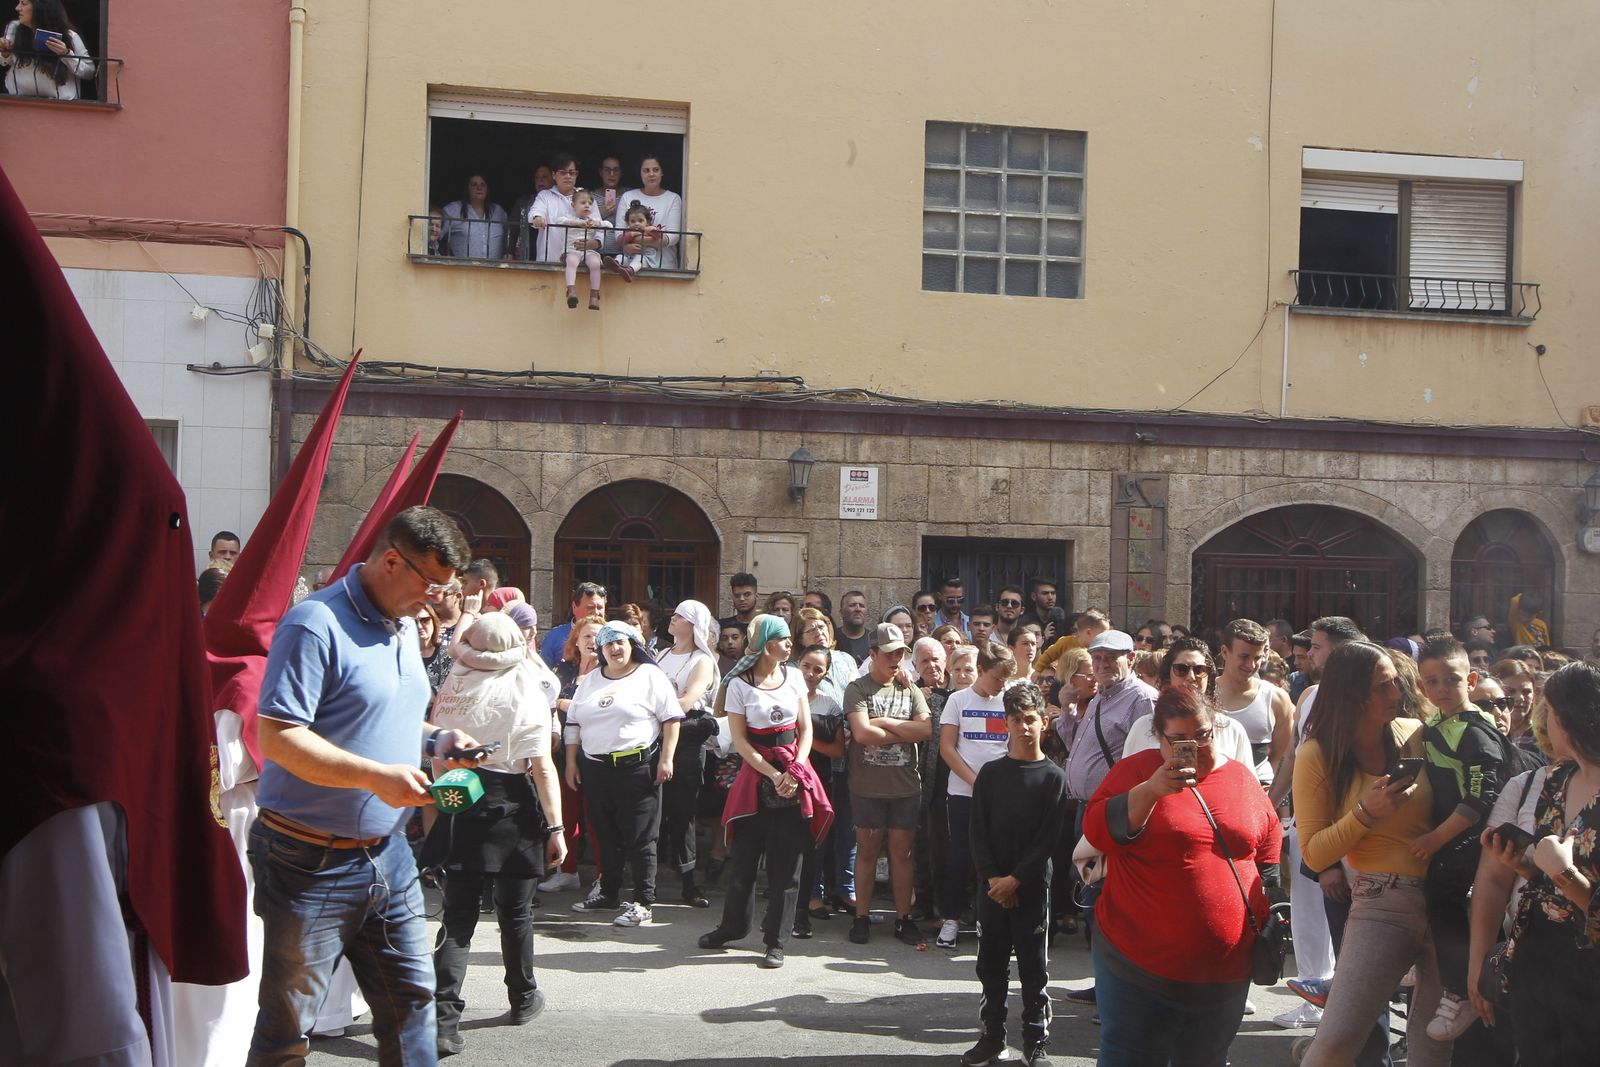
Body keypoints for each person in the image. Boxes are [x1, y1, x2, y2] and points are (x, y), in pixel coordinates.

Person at [248, 506, 479, 1062]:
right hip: (308, 858)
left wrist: (437, 739)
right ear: (392, 561)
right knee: (287, 1029)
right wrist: (378, 778)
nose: (437, 601)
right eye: (432, 585)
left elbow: (387, 716)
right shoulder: (314, 623)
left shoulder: (401, 623)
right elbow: (279, 739)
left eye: (447, 591)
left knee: (413, 1005)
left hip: (389, 854)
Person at [1083, 685, 1281, 1067]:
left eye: (1204, 734)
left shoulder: (1240, 777)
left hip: (1224, 974)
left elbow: (1268, 846)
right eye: (1179, 739)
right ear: (1158, 736)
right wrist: (1152, 790)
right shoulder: (1136, 771)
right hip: (1138, 968)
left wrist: (1271, 904)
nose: (1196, 746)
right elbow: (1096, 831)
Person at [1293, 641, 1450, 1067]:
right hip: (1381, 901)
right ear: (1354, 694)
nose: (1397, 693)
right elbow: (1314, 850)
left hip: (1444, 899)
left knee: (1432, 1047)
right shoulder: (1317, 754)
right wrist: (1366, 813)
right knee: (1338, 1039)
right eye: (1384, 686)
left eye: (1394, 683)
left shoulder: (1414, 732)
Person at [425, 613, 565, 1056]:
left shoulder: (455, 682)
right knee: (516, 911)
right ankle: (523, 997)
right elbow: (541, 765)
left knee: (458, 918)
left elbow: (437, 756)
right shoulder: (524, 684)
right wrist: (557, 828)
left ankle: (443, 1020)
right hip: (512, 804)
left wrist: (440, 806)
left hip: (461, 798)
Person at [1472, 661, 1600, 1063]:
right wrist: (1525, 867)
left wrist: (1563, 874)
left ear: (1567, 718)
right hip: (1537, 965)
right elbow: (1538, 882)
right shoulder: (1555, 780)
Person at [699, 615, 833, 968]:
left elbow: (805, 730)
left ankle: (776, 940)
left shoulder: (793, 677)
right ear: (766, 643)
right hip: (756, 775)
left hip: (793, 769)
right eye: (784, 638)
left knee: (786, 866)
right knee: (743, 860)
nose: (791, 645)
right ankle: (732, 927)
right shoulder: (740, 684)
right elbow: (740, 740)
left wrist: (795, 769)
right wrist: (773, 774)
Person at [960, 682, 1067, 1067]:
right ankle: (991, 1037)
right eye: (1016, 720)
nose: (1024, 727)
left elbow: (1047, 840)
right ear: (1006, 724)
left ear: (1045, 722)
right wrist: (993, 879)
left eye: (1031, 720)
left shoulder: (1054, 777)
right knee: (990, 965)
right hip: (991, 889)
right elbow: (978, 831)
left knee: (1034, 967)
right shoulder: (990, 774)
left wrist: (1016, 880)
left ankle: (1035, 1041)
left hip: (1032, 887)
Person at [1408, 635, 1509, 1041]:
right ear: (1421, 687)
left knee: (1442, 895)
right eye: (1431, 682)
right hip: (1450, 835)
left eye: (1450, 680)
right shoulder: (1435, 724)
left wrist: (1435, 839)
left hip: (1470, 837)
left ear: (1470, 679)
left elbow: (1482, 796)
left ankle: (1460, 991)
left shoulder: (1474, 730)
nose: (1441, 689)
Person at [564, 620, 682, 927]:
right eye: (608, 644)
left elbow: (671, 720)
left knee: (642, 837)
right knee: (604, 834)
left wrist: (666, 759)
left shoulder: (649, 676)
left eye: (620, 642)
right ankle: (609, 893)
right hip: (596, 768)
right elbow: (574, 723)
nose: (615, 648)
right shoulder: (590, 680)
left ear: (633, 645)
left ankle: (644, 902)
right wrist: (572, 762)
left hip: (637, 768)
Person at [843, 622, 934, 947]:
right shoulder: (857, 688)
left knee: (902, 854)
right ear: (872, 655)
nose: (896, 659)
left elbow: (925, 731)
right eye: (888, 653)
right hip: (866, 788)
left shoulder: (909, 689)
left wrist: (884, 722)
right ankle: (861, 917)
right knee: (867, 852)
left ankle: (903, 919)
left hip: (905, 788)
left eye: (900, 653)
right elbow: (862, 734)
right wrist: (901, 728)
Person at [937, 641, 1017, 950]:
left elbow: (1011, 747)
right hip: (962, 794)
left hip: (999, 797)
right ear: (980, 670)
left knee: (998, 860)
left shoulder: (1007, 701)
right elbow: (947, 748)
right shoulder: (957, 700)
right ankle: (951, 919)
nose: (1000, 685)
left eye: (1005, 679)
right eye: (996, 678)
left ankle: (994, 922)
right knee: (960, 856)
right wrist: (976, 782)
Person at [655, 600, 721, 909]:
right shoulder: (662, 655)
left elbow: (686, 702)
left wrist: (661, 703)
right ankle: (648, 880)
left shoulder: (702, 662)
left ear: (693, 625)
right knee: (655, 813)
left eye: (680, 615)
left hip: (687, 740)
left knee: (683, 812)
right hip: (657, 736)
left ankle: (688, 883)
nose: (673, 617)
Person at [541, 613, 607, 897]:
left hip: (596, 751)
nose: (592, 642)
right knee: (566, 815)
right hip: (562, 751)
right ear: (576, 641)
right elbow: (550, 703)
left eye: (597, 637)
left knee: (597, 818)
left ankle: (604, 877)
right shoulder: (563, 670)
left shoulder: (610, 672)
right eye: (587, 636)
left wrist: (569, 704)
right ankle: (566, 871)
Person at [1213, 618, 1295, 804]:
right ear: (1225, 652)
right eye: (1244, 657)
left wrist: (1267, 796)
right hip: (1212, 792)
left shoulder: (1276, 697)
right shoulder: (1203, 694)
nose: (1251, 665)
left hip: (1259, 792)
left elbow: (1283, 757)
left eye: (1257, 658)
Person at [1, 0, 95, 101]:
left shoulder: (70, 36)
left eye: (24, 3)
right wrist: (5, 53)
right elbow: (5, 62)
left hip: (59, 106)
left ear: (40, 8)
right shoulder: (14, 29)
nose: (17, 8)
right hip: (17, 102)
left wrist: (66, 54)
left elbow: (89, 72)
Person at [615, 156, 684, 269]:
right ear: (640, 173)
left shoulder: (673, 198)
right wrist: (656, 239)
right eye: (646, 170)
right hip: (631, 263)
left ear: (662, 172)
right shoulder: (628, 197)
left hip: (665, 266)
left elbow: (673, 237)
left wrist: (629, 239)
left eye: (655, 170)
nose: (651, 174)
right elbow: (618, 234)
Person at [555, 187, 615, 310]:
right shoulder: (570, 218)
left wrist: (597, 224)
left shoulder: (592, 221)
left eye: (589, 203)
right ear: (573, 205)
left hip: (588, 251)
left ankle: (594, 295)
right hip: (572, 250)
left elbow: (609, 225)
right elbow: (559, 221)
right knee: (572, 261)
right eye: (583, 203)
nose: (587, 206)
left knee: (595, 263)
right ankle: (570, 290)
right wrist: (577, 223)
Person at [440, 174, 510, 260]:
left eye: (483, 185)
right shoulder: (453, 210)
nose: (479, 188)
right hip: (462, 270)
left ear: (487, 189)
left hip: (495, 271)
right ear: (467, 189)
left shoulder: (498, 212)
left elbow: (510, 238)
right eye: (474, 184)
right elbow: (435, 235)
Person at [540, 580, 608, 667]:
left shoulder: (612, 636)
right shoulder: (554, 637)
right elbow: (542, 673)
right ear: (574, 607)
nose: (596, 612)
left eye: (600, 607)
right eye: (590, 607)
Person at [615, 200, 658, 275]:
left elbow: (658, 237)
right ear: (628, 223)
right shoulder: (628, 232)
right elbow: (620, 240)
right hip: (629, 259)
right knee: (620, 256)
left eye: (640, 221)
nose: (636, 224)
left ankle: (630, 271)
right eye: (633, 221)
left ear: (647, 222)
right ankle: (615, 264)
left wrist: (652, 231)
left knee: (639, 258)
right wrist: (632, 234)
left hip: (646, 260)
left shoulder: (649, 230)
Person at [837, 589, 871, 659]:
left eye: (861, 606)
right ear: (841, 612)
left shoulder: (874, 640)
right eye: (852, 605)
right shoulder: (832, 638)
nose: (858, 609)